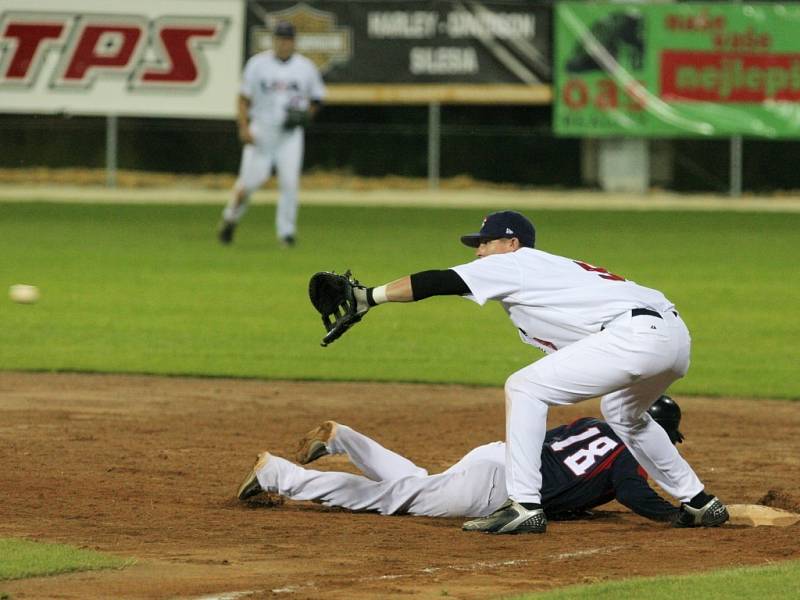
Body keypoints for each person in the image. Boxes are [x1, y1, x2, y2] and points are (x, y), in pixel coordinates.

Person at [322, 210, 729, 534]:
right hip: (672, 337)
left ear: (512, 243)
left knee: (524, 388)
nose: (479, 251)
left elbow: (438, 281)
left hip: (637, 334)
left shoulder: (516, 263)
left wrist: (369, 296)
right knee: (623, 413)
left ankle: (525, 506)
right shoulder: (550, 278)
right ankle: (698, 502)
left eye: (486, 242)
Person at [237, 396, 693, 526]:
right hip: (494, 489)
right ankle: (281, 474)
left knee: (417, 483)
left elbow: (557, 451)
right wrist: (677, 515)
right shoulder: (631, 453)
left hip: (493, 458)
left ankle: (344, 438)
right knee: (391, 500)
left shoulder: (592, 423)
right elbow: (634, 492)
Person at [218, 21, 326, 247]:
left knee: (289, 184)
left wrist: (306, 115)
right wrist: (244, 127)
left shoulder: (305, 67)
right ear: (273, 39)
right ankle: (230, 218)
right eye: (279, 38)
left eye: (287, 39)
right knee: (248, 184)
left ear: (293, 41)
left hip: (290, 135)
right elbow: (243, 99)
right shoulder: (257, 65)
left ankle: (286, 233)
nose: (283, 43)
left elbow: (316, 99)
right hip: (262, 131)